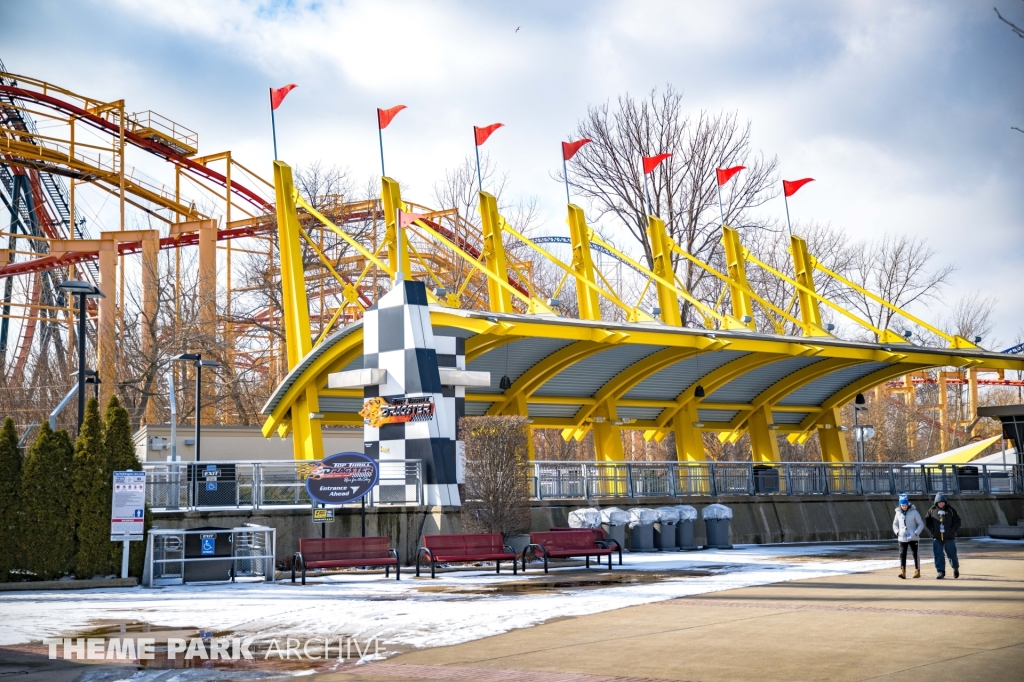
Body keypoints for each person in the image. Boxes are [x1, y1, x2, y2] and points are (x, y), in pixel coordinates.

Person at [924, 492, 961, 579]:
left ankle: (955, 568)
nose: (941, 503)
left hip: (949, 537)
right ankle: (941, 571)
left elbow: (957, 521)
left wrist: (952, 531)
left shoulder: (951, 510)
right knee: (938, 554)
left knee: (952, 554)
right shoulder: (932, 510)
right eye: (939, 502)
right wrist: (932, 530)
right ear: (936, 503)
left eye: (943, 502)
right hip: (937, 537)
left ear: (945, 502)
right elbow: (927, 521)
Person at [892, 493, 925, 579]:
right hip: (902, 537)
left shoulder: (914, 512)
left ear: (908, 504)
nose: (904, 507)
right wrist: (897, 532)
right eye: (902, 505)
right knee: (902, 554)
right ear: (900, 505)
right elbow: (895, 524)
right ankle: (903, 571)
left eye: (905, 505)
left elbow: (921, 524)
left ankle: (917, 570)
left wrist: (916, 532)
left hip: (913, 537)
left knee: (915, 554)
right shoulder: (898, 513)